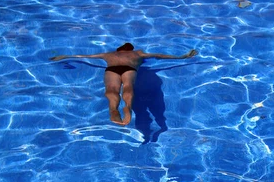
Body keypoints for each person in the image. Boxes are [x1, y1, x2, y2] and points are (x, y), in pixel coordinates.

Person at [50, 43, 198, 125]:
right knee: (128, 87)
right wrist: (181, 56)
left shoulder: (108, 54)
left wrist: (65, 56)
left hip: (112, 69)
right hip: (129, 69)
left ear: (119, 50)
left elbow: (85, 56)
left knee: (111, 90)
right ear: (130, 49)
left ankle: (113, 110)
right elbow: (159, 56)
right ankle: (127, 107)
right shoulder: (138, 54)